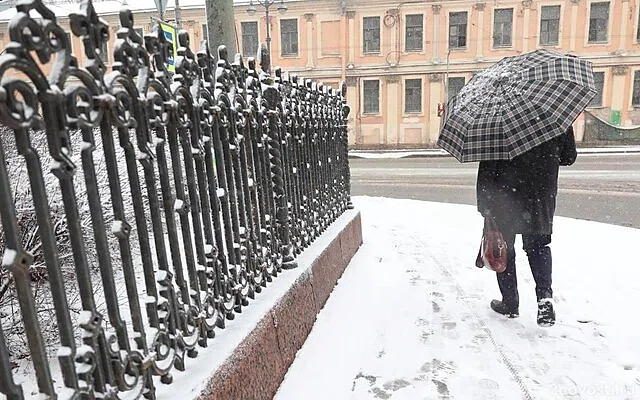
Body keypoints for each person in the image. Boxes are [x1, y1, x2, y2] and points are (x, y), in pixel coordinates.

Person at [476, 125, 577, 326]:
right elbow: (568, 157)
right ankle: (545, 298)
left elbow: (488, 167)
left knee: (504, 248)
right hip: (540, 193)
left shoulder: (497, 119)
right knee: (538, 246)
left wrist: (484, 203)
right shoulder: (553, 115)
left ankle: (510, 303)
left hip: (505, 194)